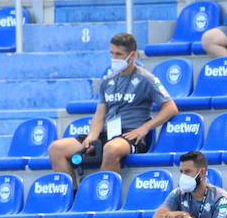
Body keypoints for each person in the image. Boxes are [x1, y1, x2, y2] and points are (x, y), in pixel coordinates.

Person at [46, 33, 178, 181]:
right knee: (56, 149)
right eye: (112, 54)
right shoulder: (107, 80)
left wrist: (144, 128)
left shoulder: (146, 79)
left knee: (111, 149)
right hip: (106, 134)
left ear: (132, 55)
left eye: (119, 54)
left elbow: (171, 108)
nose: (114, 58)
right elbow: (100, 114)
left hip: (129, 135)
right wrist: (92, 136)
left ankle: (101, 193)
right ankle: (75, 195)